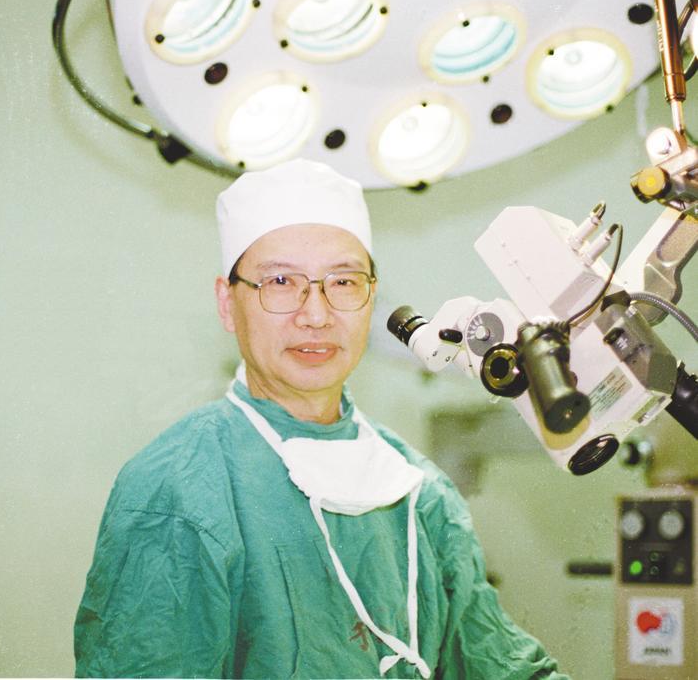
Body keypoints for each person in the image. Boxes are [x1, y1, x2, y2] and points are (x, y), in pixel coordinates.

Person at [74, 159, 569, 679]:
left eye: (344, 282)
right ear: (227, 303)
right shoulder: (175, 492)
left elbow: (502, 665)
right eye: (281, 281)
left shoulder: (420, 493)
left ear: (371, 298)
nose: (316, 314)